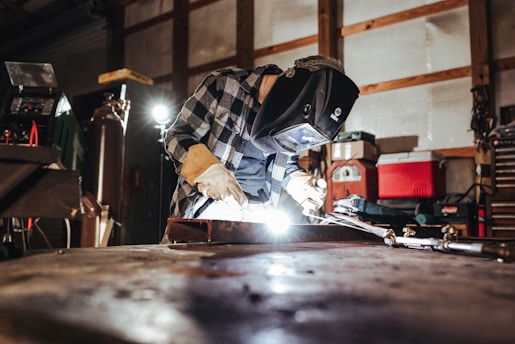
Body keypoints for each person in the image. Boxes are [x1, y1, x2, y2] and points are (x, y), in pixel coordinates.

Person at [163, 55, 359, 224]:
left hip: (261, 215)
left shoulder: (295, 118)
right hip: (209, 209)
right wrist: (207, 171)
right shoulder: (223, 86)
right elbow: (176, 137)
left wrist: (297, 180)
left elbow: (285, 162)